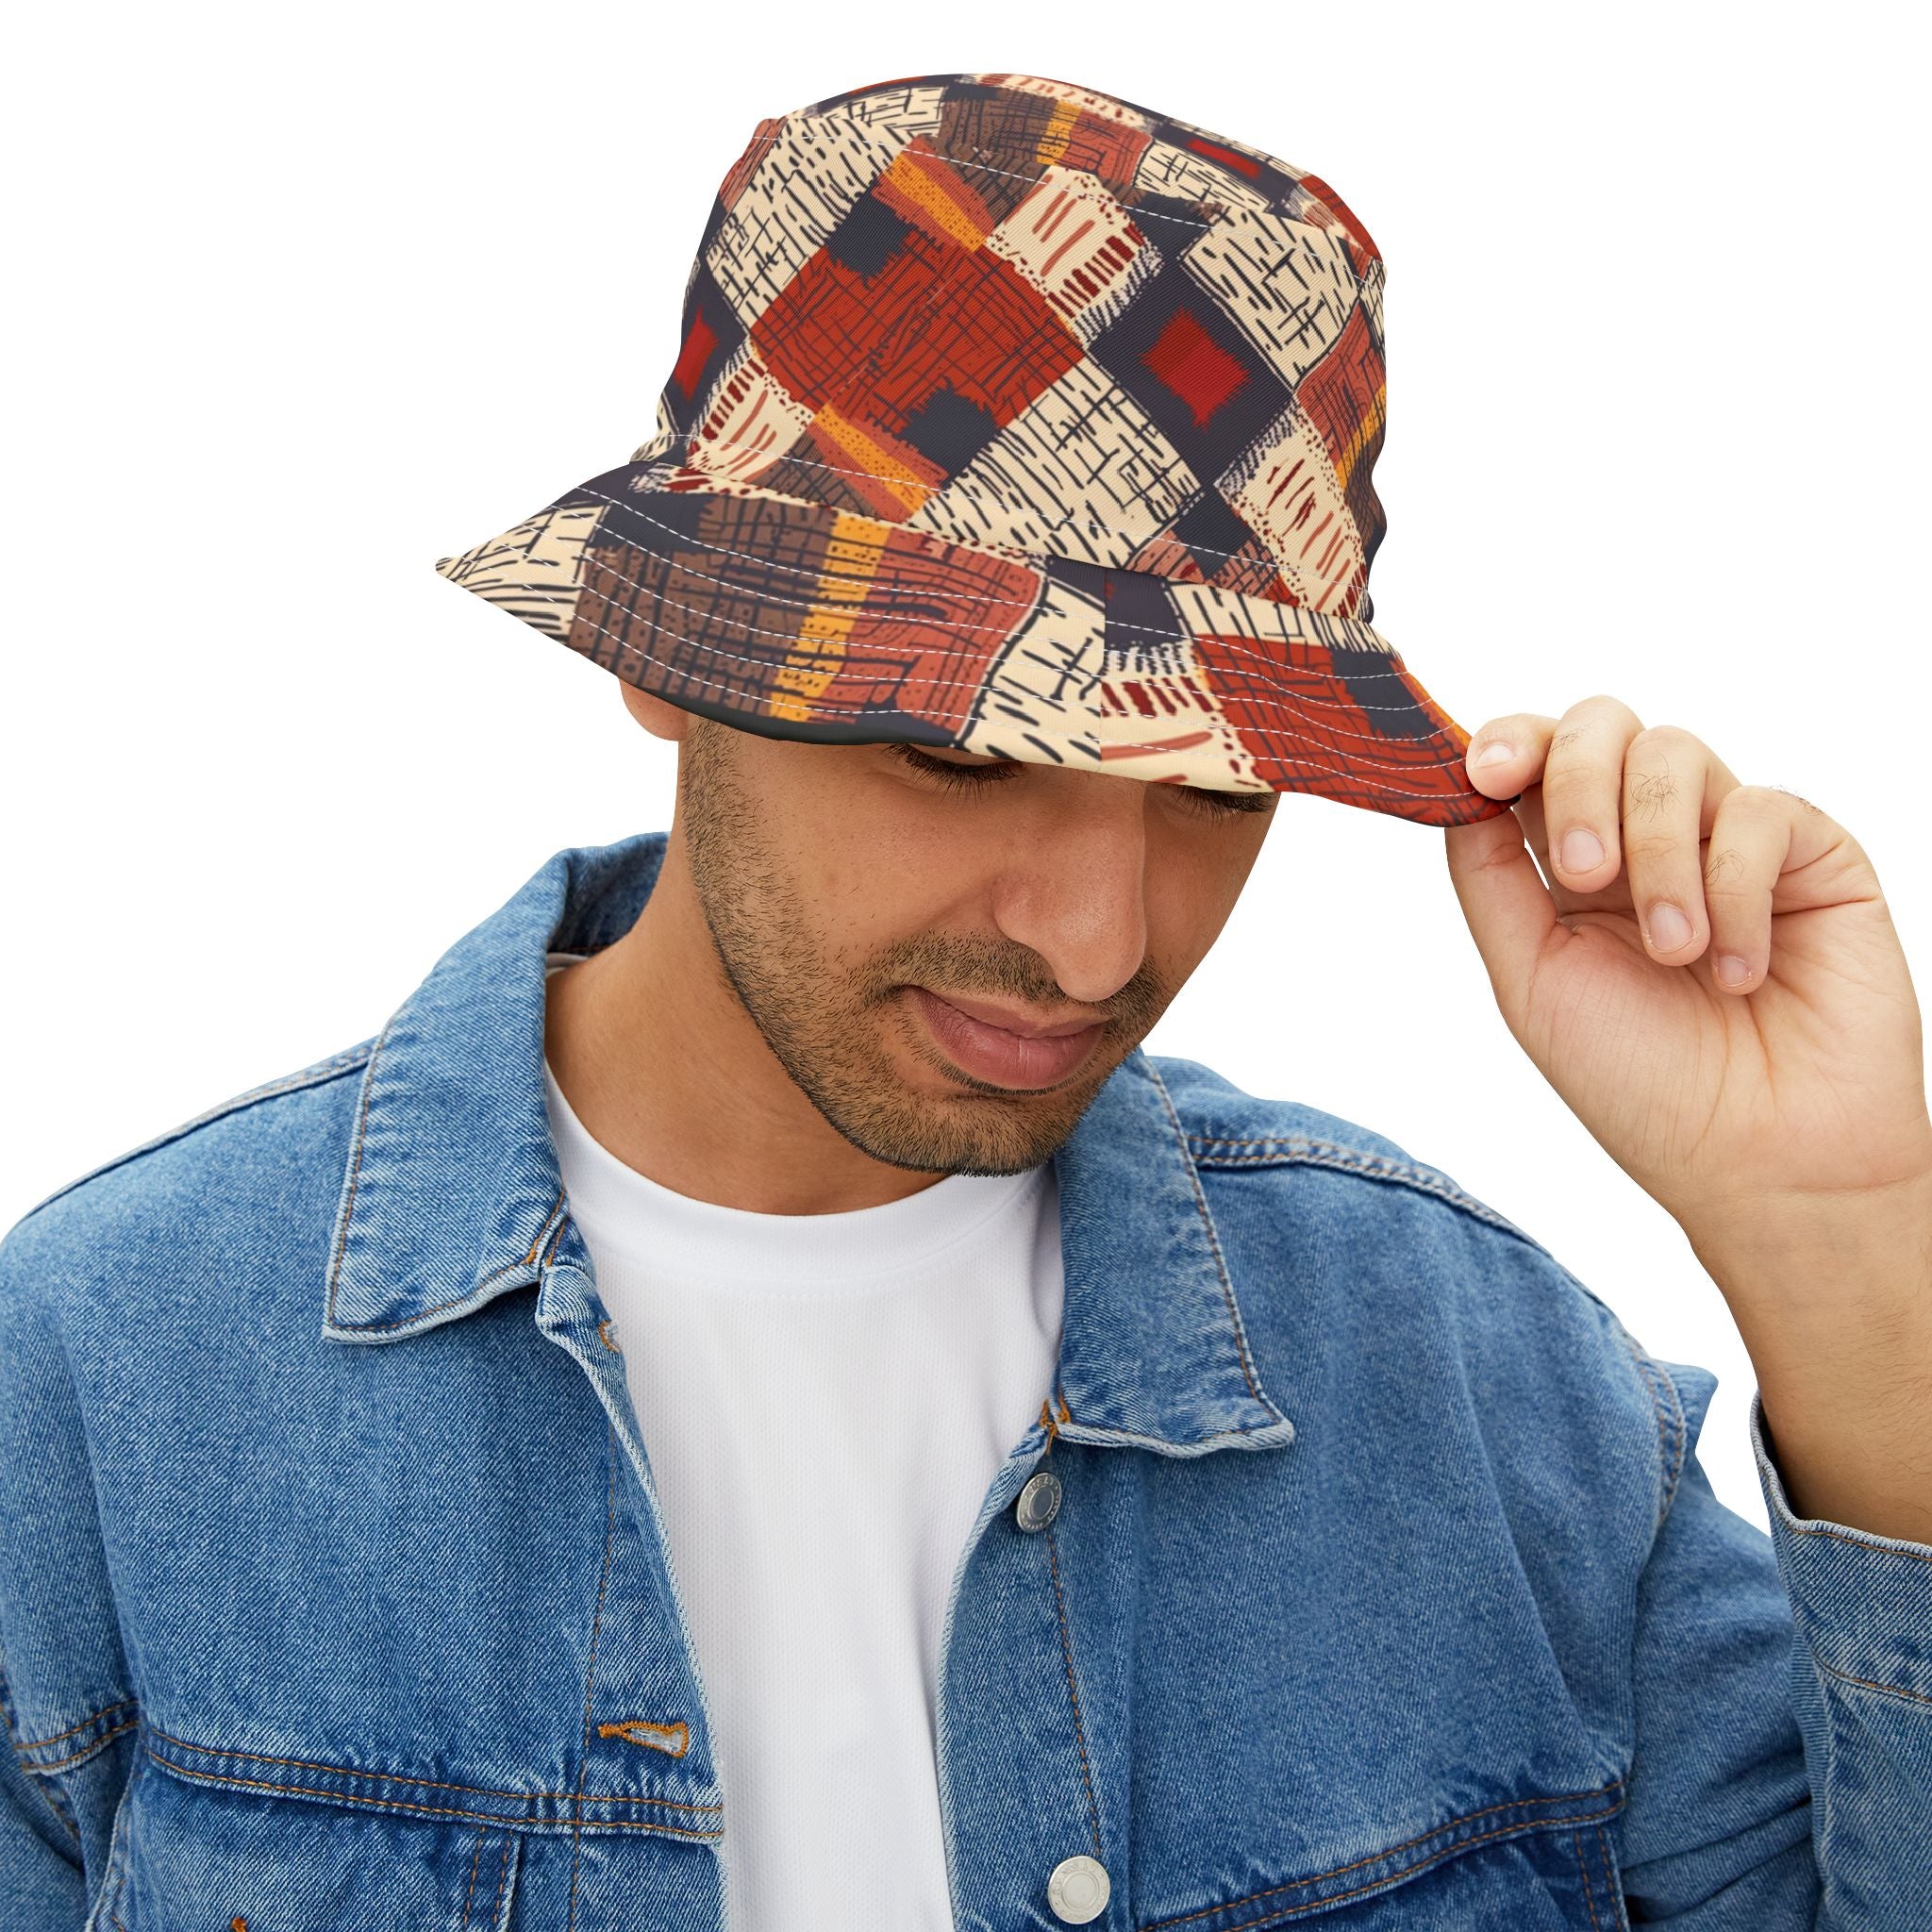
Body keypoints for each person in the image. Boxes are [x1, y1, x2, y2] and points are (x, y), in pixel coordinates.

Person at [3, 70, 1927, 1932]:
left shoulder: (1488, 1394)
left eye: (1213, 788)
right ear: (665, 656)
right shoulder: (109, 1383)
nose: (1099, 944)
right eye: (965, 755)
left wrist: (1844, 1256)